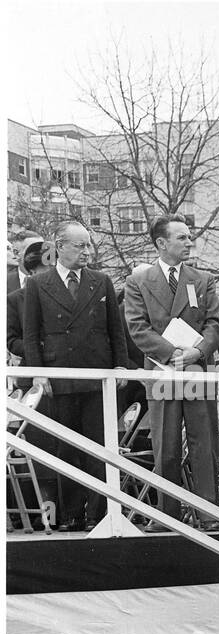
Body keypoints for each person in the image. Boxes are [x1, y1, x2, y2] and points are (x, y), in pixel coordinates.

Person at [21, 221, 130, 532]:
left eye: (88, 245)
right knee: (67, 449)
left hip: (97, 376)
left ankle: (99, 513)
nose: (87, 252)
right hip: (60, 377)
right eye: (80, 245)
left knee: (99, 448)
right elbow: (31, 334)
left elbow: (115, 330)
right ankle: (71, 514)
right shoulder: (38, 284)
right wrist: (38, 374)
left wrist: (120, 365)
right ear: (60, 246)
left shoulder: (101, 280)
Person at [123, 215, 219, 532]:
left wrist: (197, 352)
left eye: (189, 236)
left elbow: (215, 323)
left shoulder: (203, 279)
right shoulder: (138, 282)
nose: (189, 242)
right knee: (165, 447)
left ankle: (209, 514)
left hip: (196, 371)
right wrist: (172, 354)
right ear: (161, 243)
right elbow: (137, 328)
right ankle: (167, 514)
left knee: (204, 443)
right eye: (181, 237)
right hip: (162, 372)